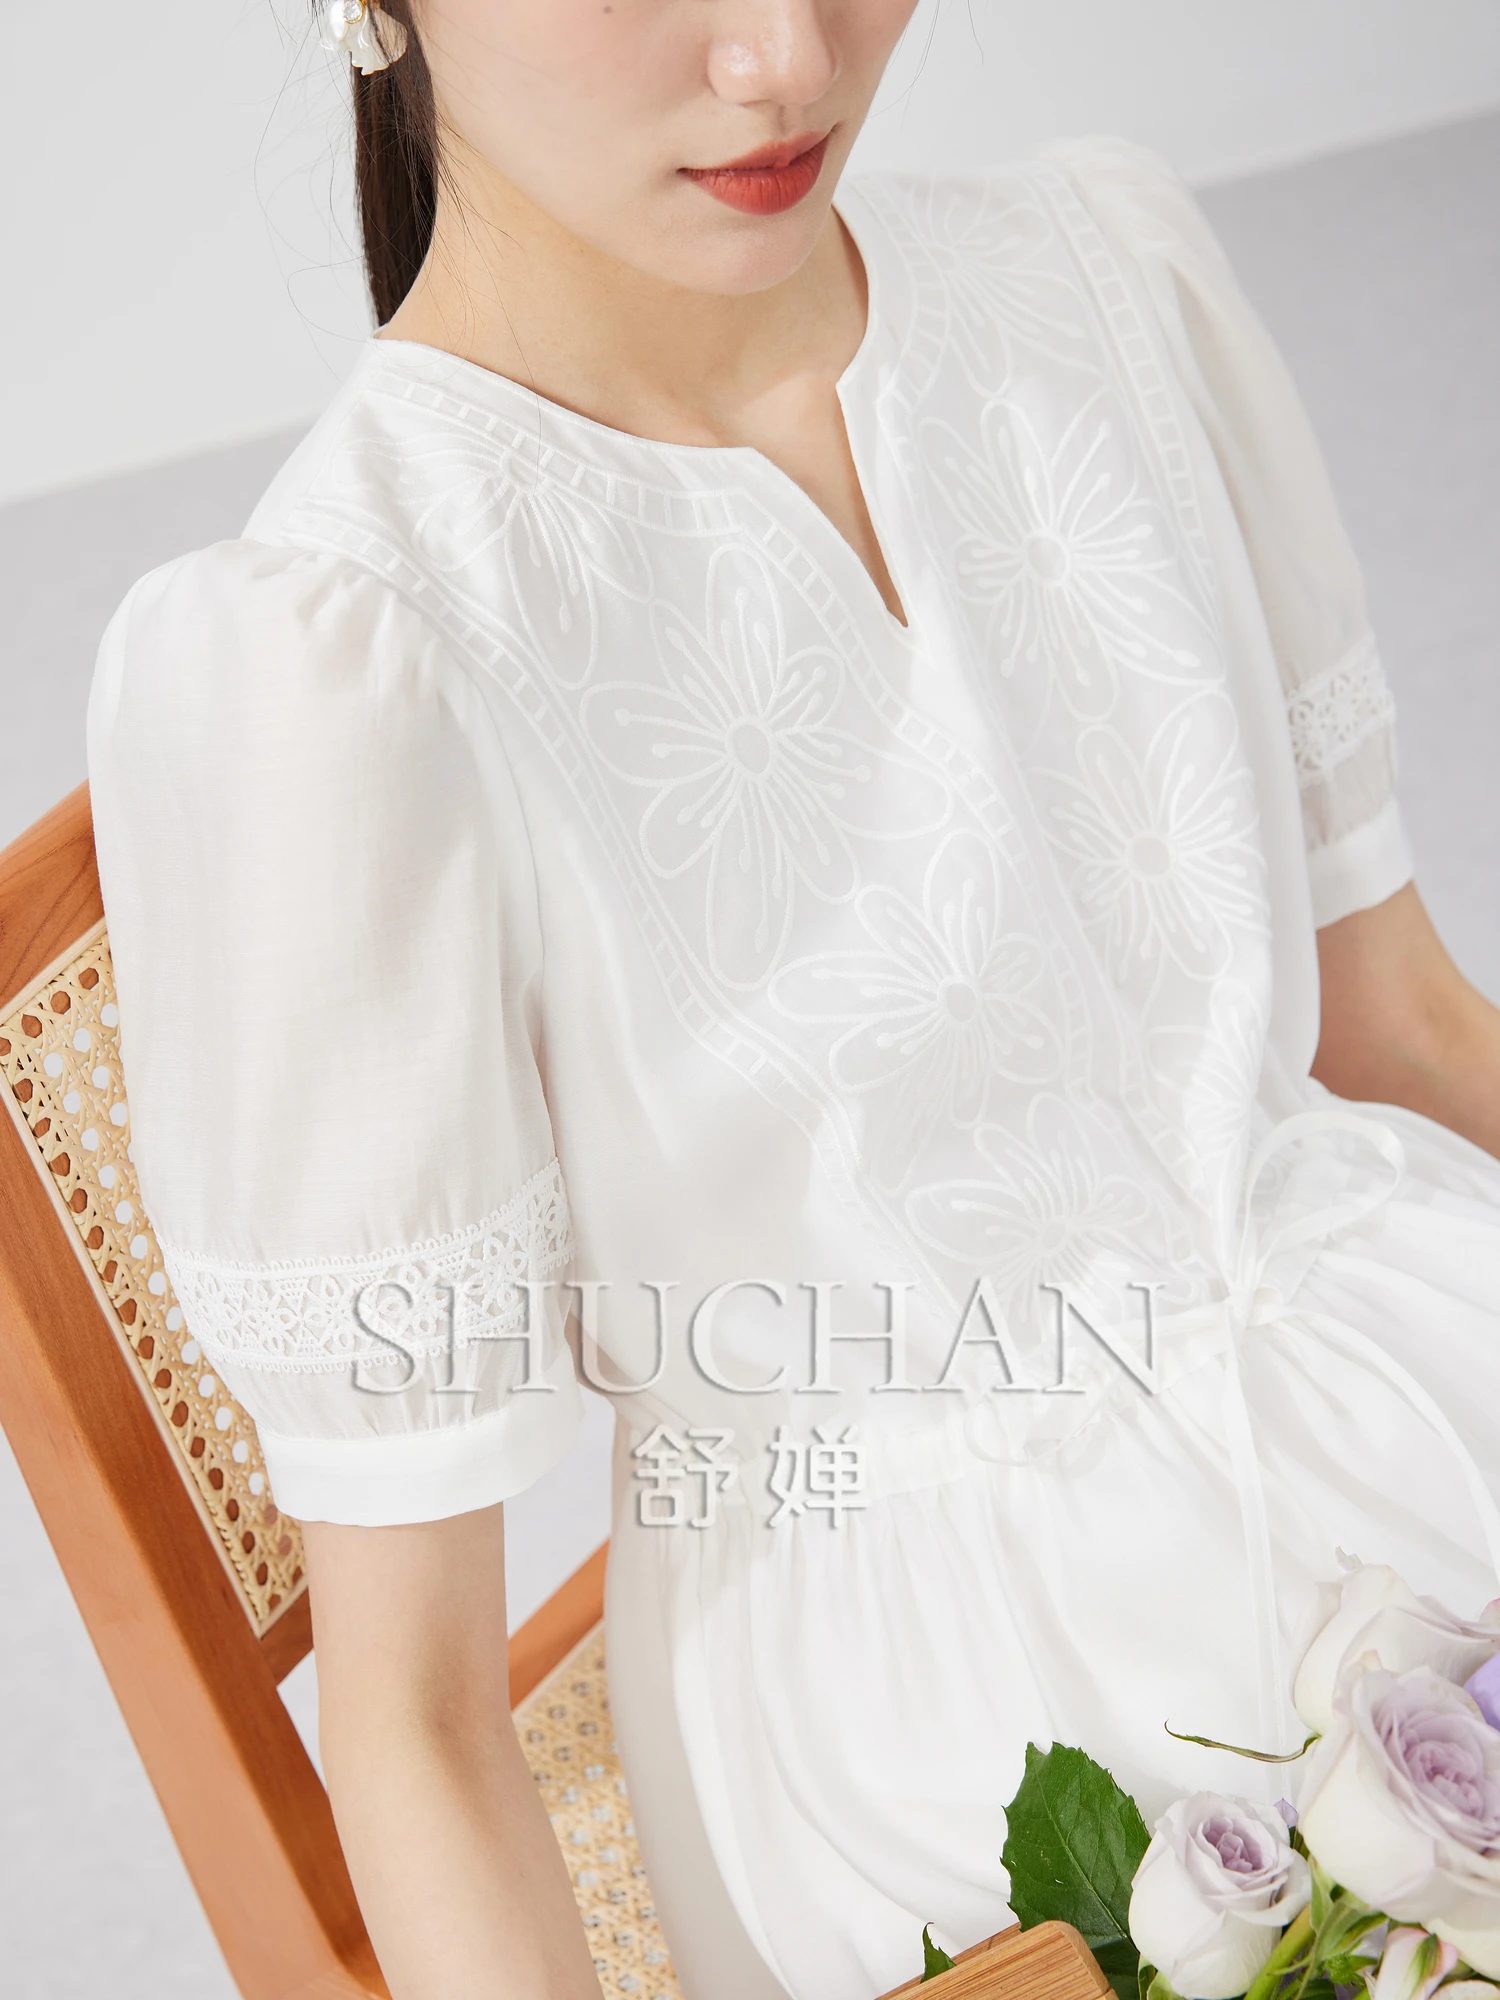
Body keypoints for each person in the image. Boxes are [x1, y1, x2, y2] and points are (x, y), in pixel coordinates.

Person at [84, 4, 1500, 1998]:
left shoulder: (1096, 277)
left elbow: (1408, 1026)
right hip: (973, 1742)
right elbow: (418, 1719)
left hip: (1425, 1378)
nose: (783, 60)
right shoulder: (340, 660)